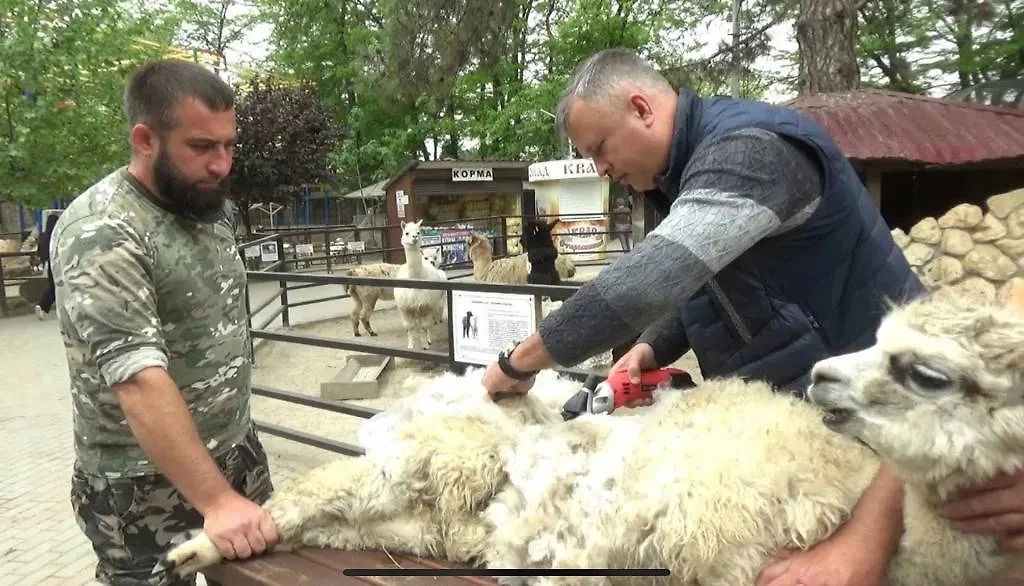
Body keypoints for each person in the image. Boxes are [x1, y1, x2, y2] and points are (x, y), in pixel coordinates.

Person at [479, 47, 1024, 585]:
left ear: (642, 109)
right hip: (803, 432)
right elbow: (707, 281)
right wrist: (650, 348)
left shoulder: (751, 153)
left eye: (599, 147)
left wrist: (518, 363)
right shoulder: (684, 177)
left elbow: (653, 277)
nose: (599, 167)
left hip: (870, 438)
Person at [49, 59, 278, 585]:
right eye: (202, 147)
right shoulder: (102, 231)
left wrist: (232, 479)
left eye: (228, 145)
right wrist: (218, 501)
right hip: (138, 487)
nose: (221, 164)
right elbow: (136, 380)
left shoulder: (204, 205)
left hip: (234, 453)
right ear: (145, 140)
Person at [34, 211, 59, 319]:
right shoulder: (56, 235)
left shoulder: (43, 236)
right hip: (57, 263)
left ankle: (43, 306)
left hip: (48, 264)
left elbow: (39, 252)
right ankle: (42, 305)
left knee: (54, 286)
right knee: (57, 287)